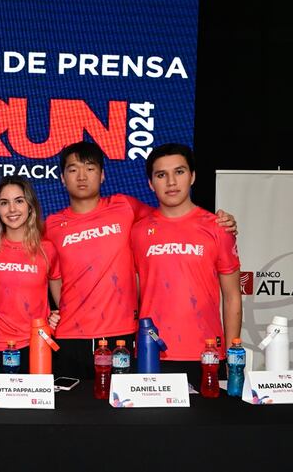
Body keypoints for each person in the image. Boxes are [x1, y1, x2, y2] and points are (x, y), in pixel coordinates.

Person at [45, 141, 236, 380]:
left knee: (121, 415)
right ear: (62, 178)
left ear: (103, 175)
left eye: (90, 168)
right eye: (73, 170)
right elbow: (46, 268)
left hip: (122, 336)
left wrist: (220, 222)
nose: (82, 176)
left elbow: (173, 218)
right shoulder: (51, 225)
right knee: (72, 414)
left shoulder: (126, 207)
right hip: (70, 336)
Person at [130, 143, 242, 385]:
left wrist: (233, 357)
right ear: (150, 183)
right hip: (152, 352)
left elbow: (232, 295)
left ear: (192, 176)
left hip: (208, 354)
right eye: (161, 175)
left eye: (179, 172)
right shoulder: (137, 232)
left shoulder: (218, 228)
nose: (171, 182)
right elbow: (132, 292)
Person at [0, 176, 62, 373]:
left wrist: (58, 317)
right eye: (4, 203)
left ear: (30, 206)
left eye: (19, 201)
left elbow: (62, 300)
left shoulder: (47, 249)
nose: (12, 209)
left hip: (37, 344)